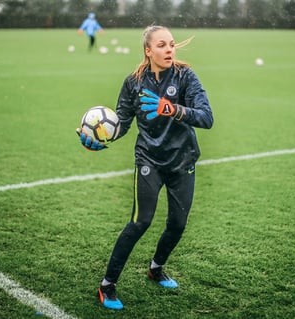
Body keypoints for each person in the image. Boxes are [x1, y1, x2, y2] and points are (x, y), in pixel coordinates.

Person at [76, 25, 214, 310]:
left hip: (182, 160)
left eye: (172, 44)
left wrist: (172, 108)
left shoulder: (185, 77)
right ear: (148, 51)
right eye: (162, 45)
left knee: (177, 224)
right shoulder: (134, 83)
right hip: (149, 160)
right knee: (141, 221)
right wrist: (98, 138)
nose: (169, 50)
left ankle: (156, 267)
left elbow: (206, 117)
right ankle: (108, 285)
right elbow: (122, 123)